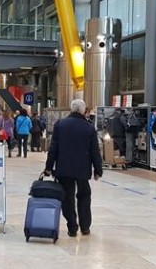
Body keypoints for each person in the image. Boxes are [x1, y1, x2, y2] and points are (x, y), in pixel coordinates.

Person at [45, 99, 103, 237]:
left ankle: (72, 226)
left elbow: (53, 148)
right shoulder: (89, 128)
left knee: (67, 197)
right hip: (83, 169)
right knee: (84, 196)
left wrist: (48, 166)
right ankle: (85, 227)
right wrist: (98, 169)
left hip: (63, 168)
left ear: (71, 110)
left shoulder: (61, 124)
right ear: (83, 111)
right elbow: (95, 151)